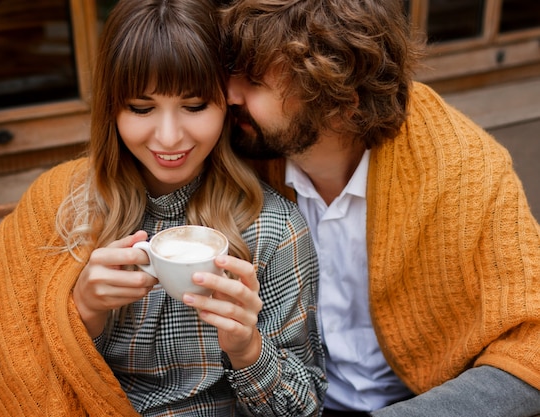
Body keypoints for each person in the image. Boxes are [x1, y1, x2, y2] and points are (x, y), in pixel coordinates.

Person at [0, 0, 327, 416]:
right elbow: (17, 377)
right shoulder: (63, 210)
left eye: (195, 106)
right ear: (112, 108)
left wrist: (248, 349)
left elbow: (304, 407)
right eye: (142, 109)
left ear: (227, 103)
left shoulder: (271, 228)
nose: (168, 137)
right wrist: (82, 315)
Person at [220, 0, 540, 416]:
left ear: (341, 102)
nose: (229, 94)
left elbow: (532, 345)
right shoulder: (238, 151)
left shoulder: (464, 169)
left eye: (256, 81)